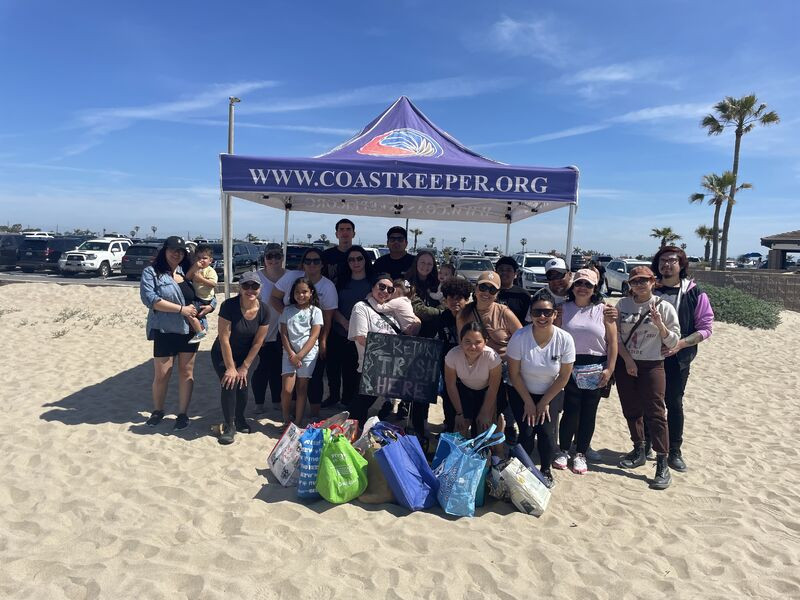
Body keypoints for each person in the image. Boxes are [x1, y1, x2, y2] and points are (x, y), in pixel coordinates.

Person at [615, 265, 681, 490]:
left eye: (644, 280)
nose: (639, 285)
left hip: (653, 364)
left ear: (653, 282)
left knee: (656, 412)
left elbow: (674, 342)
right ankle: (639, 449)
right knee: (631, 409)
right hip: (626, 364)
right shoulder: (623, 305)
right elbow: (615, 337)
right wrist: (628, 361)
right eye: (635, 281)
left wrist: (660, 326)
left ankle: (662, 462)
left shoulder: (665, 307)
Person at [650, 246, 714, 472]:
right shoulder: (648, 289)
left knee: (674, 403)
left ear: (681, 265)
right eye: (662, 260)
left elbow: (706, 328)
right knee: (648, 402)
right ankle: (646, 445)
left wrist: (681, 344)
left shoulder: (694, 292)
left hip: (678, 359)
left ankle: (674, 451)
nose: (666, 264)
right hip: (648, 358)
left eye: (671, 261)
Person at [507, 290, 576, 488]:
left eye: (547, 312)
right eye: (537, 312)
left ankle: (545, 469)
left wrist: (544, 402)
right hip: (521, 390)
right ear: (530, 314)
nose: (542, 317)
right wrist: (529, 401)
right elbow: (514, 374)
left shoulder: (565, 339)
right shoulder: (520, 337)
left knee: (546, 432)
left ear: (555, 313)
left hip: (551, 391)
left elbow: (563, 376)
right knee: (527, 432)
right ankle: (523, 467)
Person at [553, 269, 618, 474]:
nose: (583, 288)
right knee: (571, 411)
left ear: (595, 288)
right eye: (579, 284)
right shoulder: (563, 309)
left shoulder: (604, 310)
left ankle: (580, 453)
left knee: (589, 412)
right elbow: (555, 338)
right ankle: (563, 450)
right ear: (573, 286)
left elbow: (613, 342)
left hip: (596, 366)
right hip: (569, 365)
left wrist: (609, 368)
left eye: (588, 285)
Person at [140, 236, 205, 431]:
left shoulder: (188, 272)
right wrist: (180, 309)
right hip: (165, 329)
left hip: (190, 330)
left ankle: (182, 413)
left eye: (181, 251)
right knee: (162, 374)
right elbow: (150, 299)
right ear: (164, 250)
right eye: (173, 250)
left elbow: (205, 296)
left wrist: (207, 308)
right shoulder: (151, 273)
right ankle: (158, 410)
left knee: (186, 372)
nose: (177, 254)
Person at [270, 247, 338, 419]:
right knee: (287, 388)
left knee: (307, 385)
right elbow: (275, 301)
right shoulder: (290, 288)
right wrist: (289, 316)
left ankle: (302, 418)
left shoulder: (326, 290)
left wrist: (321, 342)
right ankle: (288, 418)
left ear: (322, 264)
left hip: (308, 350)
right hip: (289, 348)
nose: (312, 264)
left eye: (316, 261)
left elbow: (324, 322)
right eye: (308, 261)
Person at [457, 271, 523, 436]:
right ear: (476, 288)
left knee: (492, 414)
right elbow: (461, 343)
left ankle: (496, 449)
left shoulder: (504, 312)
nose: (486, 293)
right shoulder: (464, 313)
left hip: (501, 369)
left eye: (492, 290)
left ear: (497, 293)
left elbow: (522, 339)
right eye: (483, 287)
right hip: (474, 368)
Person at [211, 271, 270, 445]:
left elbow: (258, 342)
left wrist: (244, 367)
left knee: (243, 384)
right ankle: (229, 426)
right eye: (246, 286)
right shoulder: (229, 306)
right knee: (229, 383)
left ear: (260, 288)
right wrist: (230, 367)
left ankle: (240, 418)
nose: (250, 290)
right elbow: (224, 338)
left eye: (254, 286)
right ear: (240, 287)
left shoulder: (265, 310)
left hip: (248, 354)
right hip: (223, 351)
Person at [347, 274, 405, 426]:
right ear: (372, 287)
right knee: (359, 414)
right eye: (381, 286)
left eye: (390, 289)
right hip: (371, 370)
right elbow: (361, 337)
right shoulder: (361, 307)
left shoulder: (391, 310)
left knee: (378, 419)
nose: (385, 291)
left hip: (391, 373)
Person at [325, 245, 374, 409]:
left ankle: (347, 401)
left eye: (359, 258)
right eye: (351, 259)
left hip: (361, 335)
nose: (356, 262)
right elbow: (333, 306)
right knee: (333, 368)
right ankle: (333, 397)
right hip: (339, 330)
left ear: (365, 260)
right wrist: (345, 323)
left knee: (351, 371)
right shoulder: (341, 281)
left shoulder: (373, 283)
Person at [444, 322, 502, 438]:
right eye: (467, 342)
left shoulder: (492, 357)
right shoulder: (453, 355)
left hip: (487, 391)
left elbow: (493, 387)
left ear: (485, 341)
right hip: (465, 389)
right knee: (460, 427)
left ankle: (495, 453)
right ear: (461, 341)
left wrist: (485, 412)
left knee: (484, 428)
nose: (472, 347)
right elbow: (450, 384)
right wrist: (460, 412)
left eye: (478, 342)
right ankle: (459, 455)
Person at [279, 277, 324, 425]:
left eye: (304, 291)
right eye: (297, 292)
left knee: (302, 388)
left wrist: (300, 355)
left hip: (307, 354)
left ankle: (297, 421)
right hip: (289, 353)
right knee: (287, 389)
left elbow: (314, 336)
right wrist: (292, 354)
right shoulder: (287, 310)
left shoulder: (316, 311)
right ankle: (286, 419)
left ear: (311, 293)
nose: (301, 295)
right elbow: (283, 333)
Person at [251, 244, 285, 412]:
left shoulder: (290, 276)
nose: (273, 260)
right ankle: (259, 403)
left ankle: (276, 401)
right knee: (261, 369)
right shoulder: (255, 278)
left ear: (282, 257)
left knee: (277, 369)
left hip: (282, 332)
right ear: (264, 258)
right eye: (269, 256)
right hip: (261, 332)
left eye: (277, 256)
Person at [437, 277, 473, 432]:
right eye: (450, 298)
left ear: (467, 299)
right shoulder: (442, 318)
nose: (455, 302)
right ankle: (449, 430)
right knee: (449, 404)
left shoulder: (472, 317)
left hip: (471, 371)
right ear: (445, 300)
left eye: (459, 298)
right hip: (449, 370)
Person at [184, 243, 218, 343]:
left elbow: (213, 284)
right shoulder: (196, 268)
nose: (201, 260)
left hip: (205, 299)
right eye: (198, 258)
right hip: (197, 297)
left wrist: (201, 279)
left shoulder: (210, 271)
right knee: (195, 313)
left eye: (204, 258)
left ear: (210, 260)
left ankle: (200, 331)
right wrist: (194, 267)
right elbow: (188, 277)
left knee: (191, 313)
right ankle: (201, 328)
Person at [495, 256, 531, 324]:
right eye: (501, 269)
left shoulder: (524, 295)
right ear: (496, 272)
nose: (504, 272)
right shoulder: (488, 292)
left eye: (509, 270)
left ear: (515, 274)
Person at [322, 218, 356, 284]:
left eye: (348, 229)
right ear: (336, 234)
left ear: (354, 234)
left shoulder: (361, 256)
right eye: (341, 229)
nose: (345, 232)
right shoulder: (326, 255)